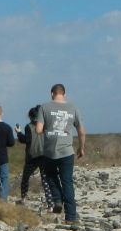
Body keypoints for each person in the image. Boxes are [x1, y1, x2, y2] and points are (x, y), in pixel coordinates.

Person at [35, 83, 86, 223]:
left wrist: (48, 127)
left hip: (49, 151)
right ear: (64, 94)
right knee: (67, 182)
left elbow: (38, 130)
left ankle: (57, 200)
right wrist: (81, 148)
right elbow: (81, 131)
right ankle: (71, 216)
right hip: (67, 151)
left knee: (51, 177)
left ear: (52, 93)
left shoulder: (44, 107)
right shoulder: (73, 108)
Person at [16, 105, 58, 209]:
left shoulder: (28, 127)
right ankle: (50, 204)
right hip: (45, 155)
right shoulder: (46, 125)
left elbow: (25, 140)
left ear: (31, 116)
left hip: (32, 157)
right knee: (45, 180)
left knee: (25, 178)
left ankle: (24, 198)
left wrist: (18, 133)